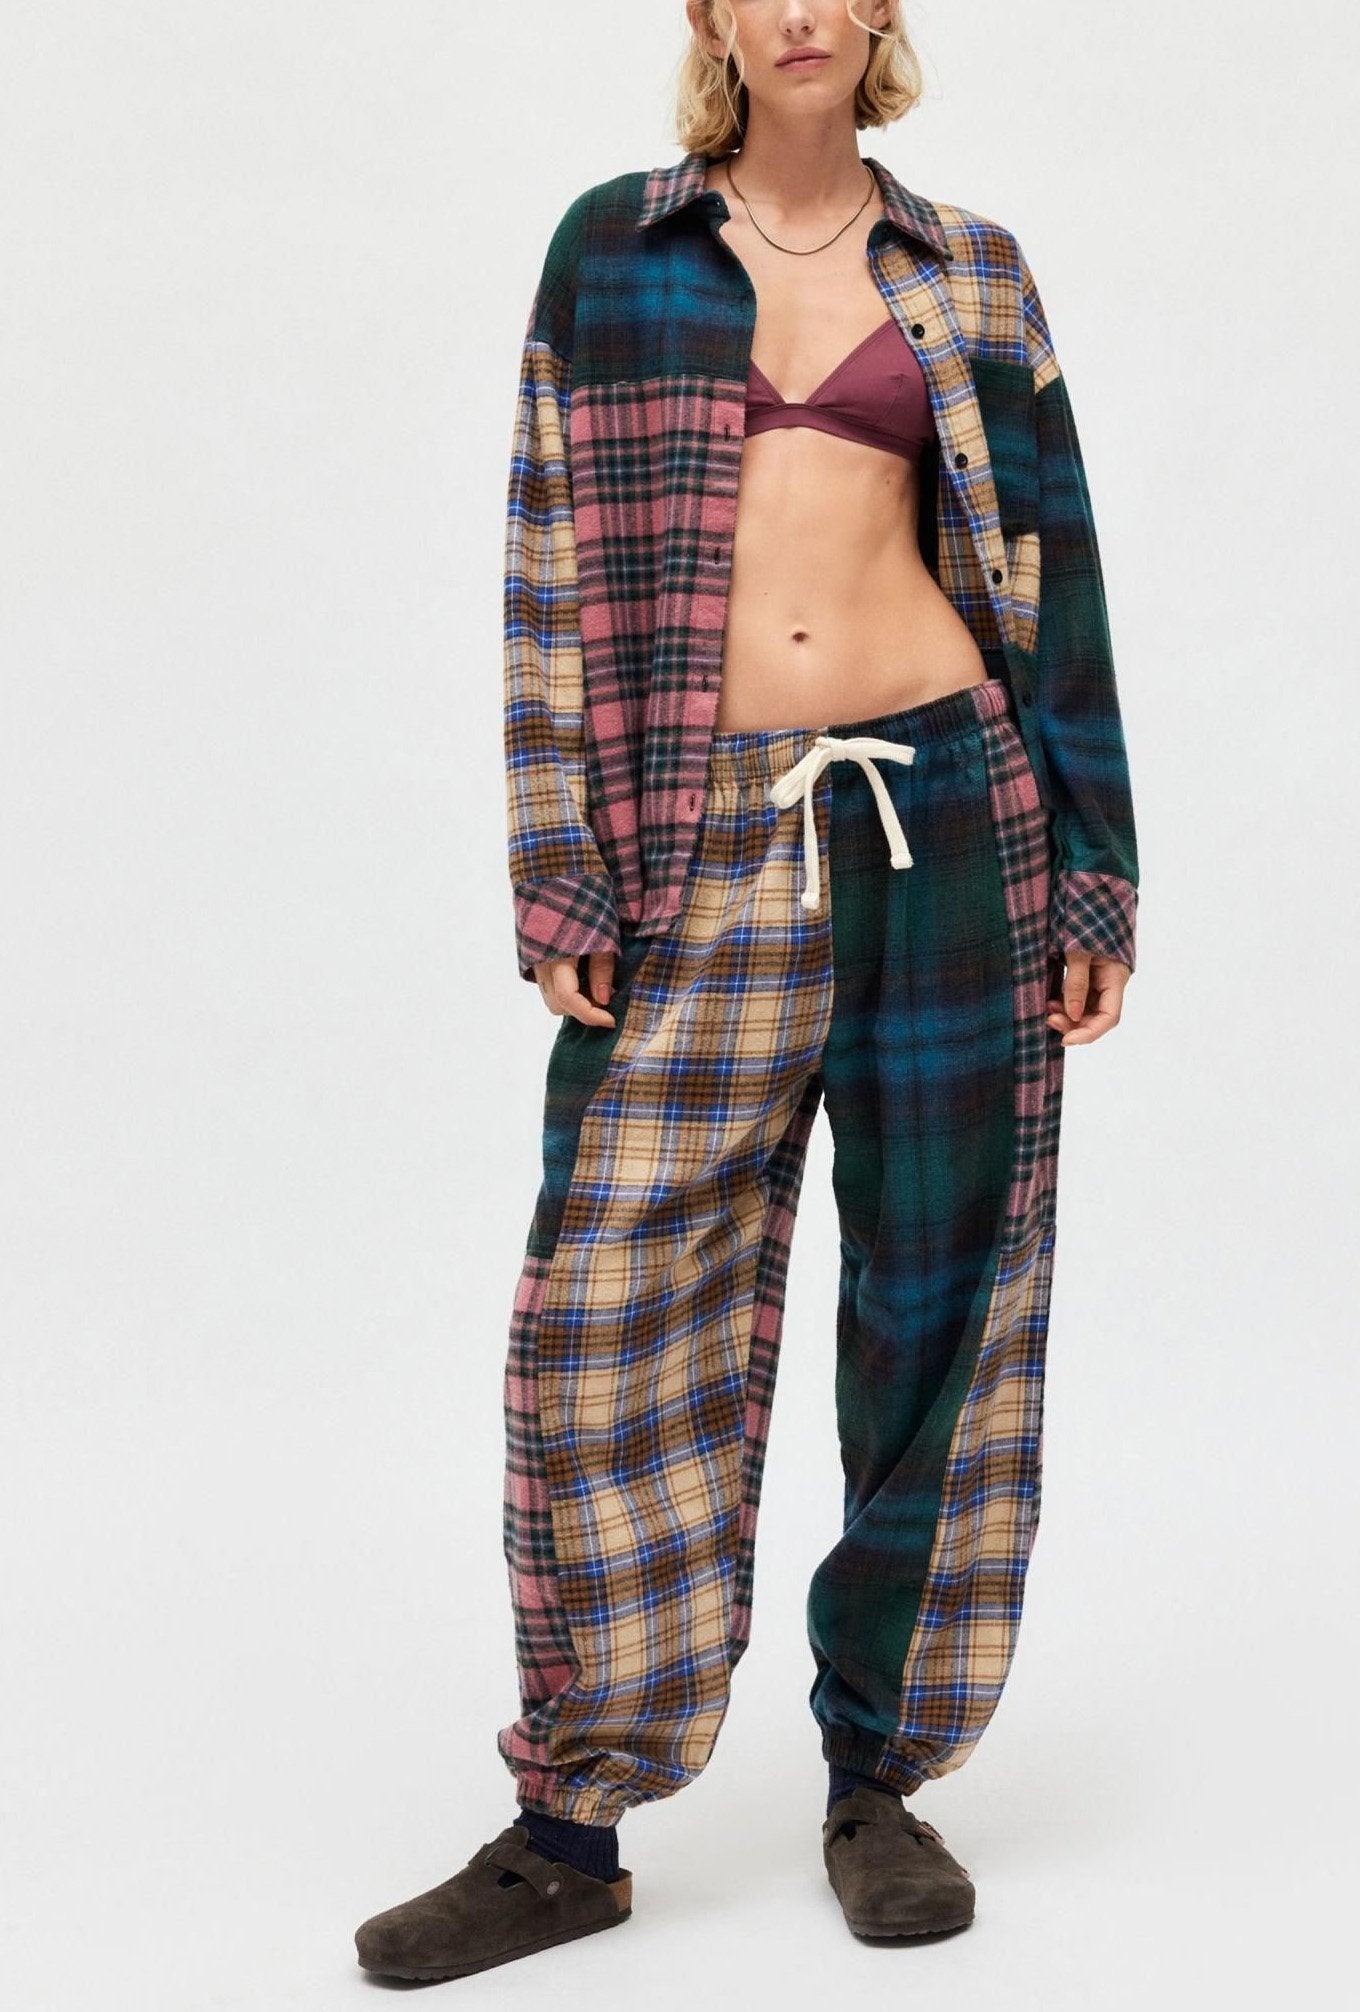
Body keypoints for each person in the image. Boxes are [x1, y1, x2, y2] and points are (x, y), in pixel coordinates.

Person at [355, 0, 1138, 1980]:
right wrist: (560, 852)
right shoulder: (614, 250)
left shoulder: (971, 269)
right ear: (707, 12)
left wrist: (1093, 863)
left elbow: (1051, 572)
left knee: (941, 1303)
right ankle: (573, 1824)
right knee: (610, 1305)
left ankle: (880, 1776)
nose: (798, 9)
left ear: (876, 12)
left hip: (949, 812)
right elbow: (549, 563)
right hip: (697, 836)